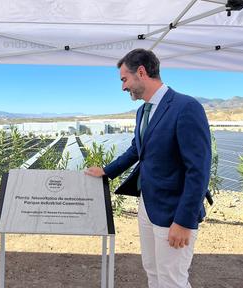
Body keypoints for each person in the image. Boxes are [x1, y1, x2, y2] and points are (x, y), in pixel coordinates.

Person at [85, 49, 211, 288]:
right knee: (153, 272)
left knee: (172, 279)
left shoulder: (186, 107)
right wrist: (107, 170)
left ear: (141, 72)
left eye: (124, 79)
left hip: (174, 212)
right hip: (147, 205)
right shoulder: (143, 111)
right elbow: (137, 149)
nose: (123, 87)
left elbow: (199, 169)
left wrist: (184, 221)